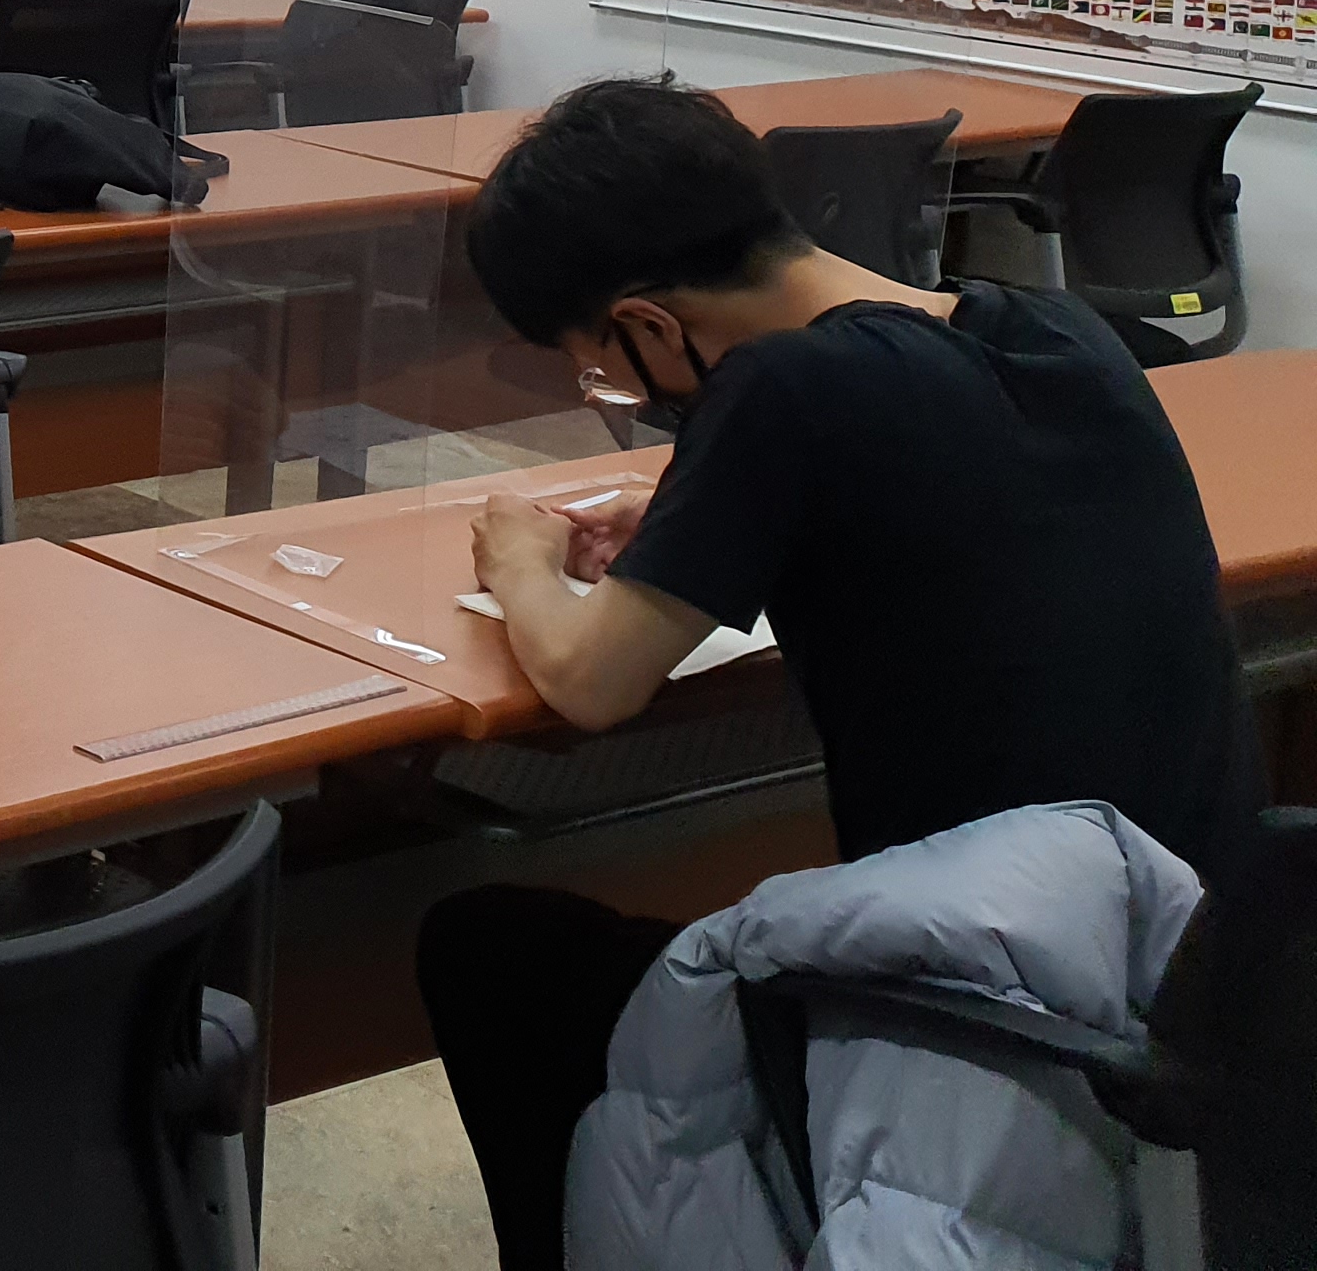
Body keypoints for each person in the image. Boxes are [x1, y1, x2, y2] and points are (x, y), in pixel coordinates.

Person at [416, 75, 1258, 1271]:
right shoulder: (1057, 330)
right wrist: (701, 519)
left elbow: (591, 682)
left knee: (489, 950)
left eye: (602, 367)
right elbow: (937, 492)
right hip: (1203, 971)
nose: (623, 393)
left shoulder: (777, 390)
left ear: (649, 325)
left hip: (1012, 1003)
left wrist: (518, 563)